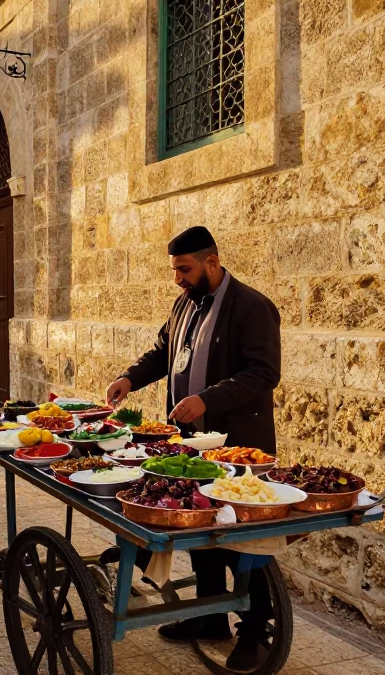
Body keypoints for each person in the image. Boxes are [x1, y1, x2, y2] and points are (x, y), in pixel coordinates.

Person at [105, 226, 281, 668]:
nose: (178, 279)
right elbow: (162, 351)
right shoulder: (184, 304)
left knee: (243, 542)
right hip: (190, 445)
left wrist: (208, 398)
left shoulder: (253, 307)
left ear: (212, 262)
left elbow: (263, 373)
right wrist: (130, 377)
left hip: (238, 448)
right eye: (175, 270)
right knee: (201, 534)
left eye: (184, 269)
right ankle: (210, 618)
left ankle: (255, 631)